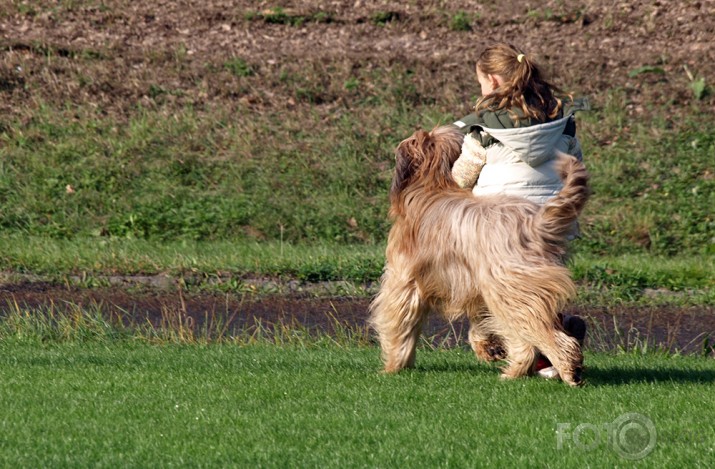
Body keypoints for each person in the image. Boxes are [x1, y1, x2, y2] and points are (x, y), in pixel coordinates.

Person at [451, 42, 589, 379]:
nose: (481, 89)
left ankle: (548, 350)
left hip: (499, 225)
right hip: (552, 223)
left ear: (494, 81)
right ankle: (557, 332)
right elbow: (577, 164)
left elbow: (463, 176)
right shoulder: (561, 123)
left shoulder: (483, 129)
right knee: (538, 287)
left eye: (481, 82)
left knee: (499, 293)